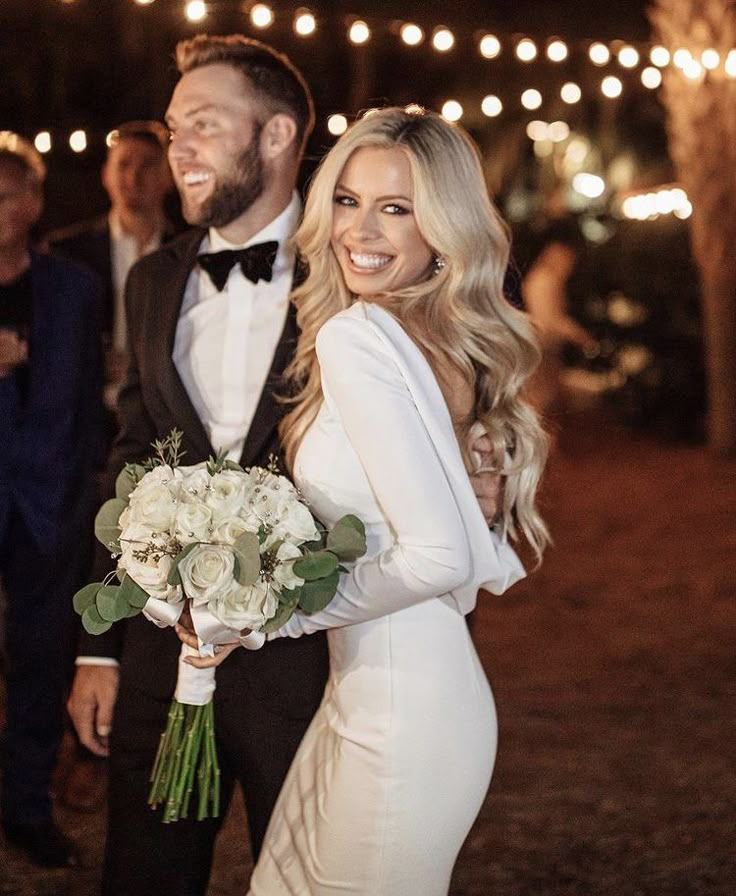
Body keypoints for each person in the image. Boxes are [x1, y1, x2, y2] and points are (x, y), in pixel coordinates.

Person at [66, 36, 502, 896]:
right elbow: (126, 456)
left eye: (202, 123)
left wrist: (478, 476)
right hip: (166, 649)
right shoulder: (153, 281)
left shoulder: (359, 280)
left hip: (311, 663)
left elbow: (444, 442)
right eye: (171, 125)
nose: (175, 146)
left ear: (275, 136)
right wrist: (101, 651)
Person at [178, 106, 549, 895]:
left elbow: (441, 554)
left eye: (397, 208)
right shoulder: (415, 333)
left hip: (400, 714)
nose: (360, 230)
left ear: (442, 226)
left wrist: (273, 614)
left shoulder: (363, 339)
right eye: (347, 200)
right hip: (381, 694)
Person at [0, 132, 104, 866]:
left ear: (33, 204)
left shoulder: (73, 287)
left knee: (40, 668)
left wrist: (87, 493)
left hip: (48, 508)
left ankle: (25, 807)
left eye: (6, 194)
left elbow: (89, 405)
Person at [49, 120, 175, 416]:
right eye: (124, 165)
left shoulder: (189, 253)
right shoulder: (67, 253)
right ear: (106, 174)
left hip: (161, 420)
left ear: (169, 176)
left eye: (147, 165)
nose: (134, 176)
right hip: (85, 417)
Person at [522, 216, 597, 421]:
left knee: (547, 403)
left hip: (546, 349)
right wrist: (581, 336)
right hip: (542, 349)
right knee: (540, 403)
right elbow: (550, 320)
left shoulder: (546, 279)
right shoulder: (543, 281)